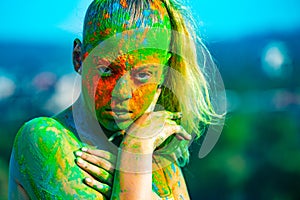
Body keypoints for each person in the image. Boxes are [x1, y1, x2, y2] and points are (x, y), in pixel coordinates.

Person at [8, 0, 222, 199]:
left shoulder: (159, 159)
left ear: (163, 76)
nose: (122, 92)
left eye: (143, 75)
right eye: (107, 70)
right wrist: (135, 160)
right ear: (78, 57)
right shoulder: (44, 139)